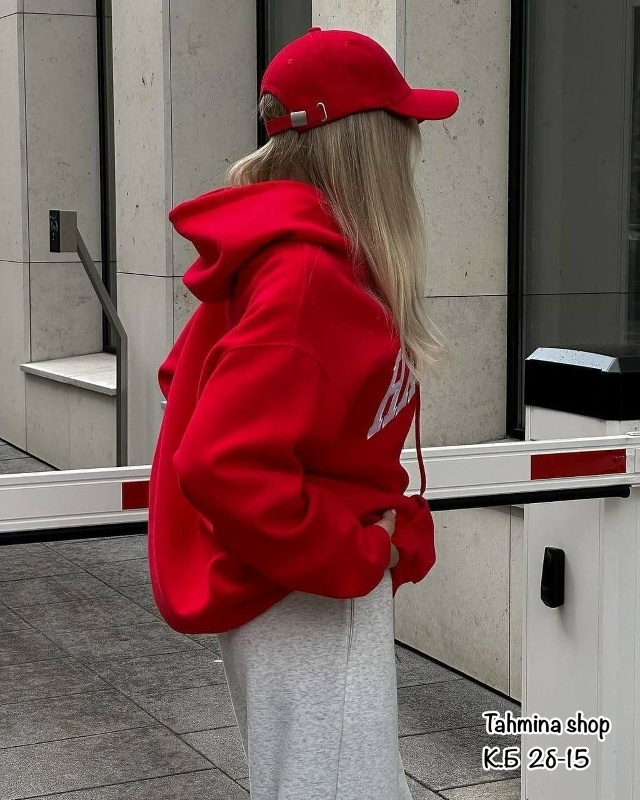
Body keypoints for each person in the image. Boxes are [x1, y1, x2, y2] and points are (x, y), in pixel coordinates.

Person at [147, 25, 459, 800]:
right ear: (367, 144)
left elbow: (185, 377)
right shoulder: (307, 276)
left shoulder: (287, 257)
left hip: (292, 586)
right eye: (403, 127)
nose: (414, 146)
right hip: (304, 594)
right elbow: (220, 460)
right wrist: (359, 551)